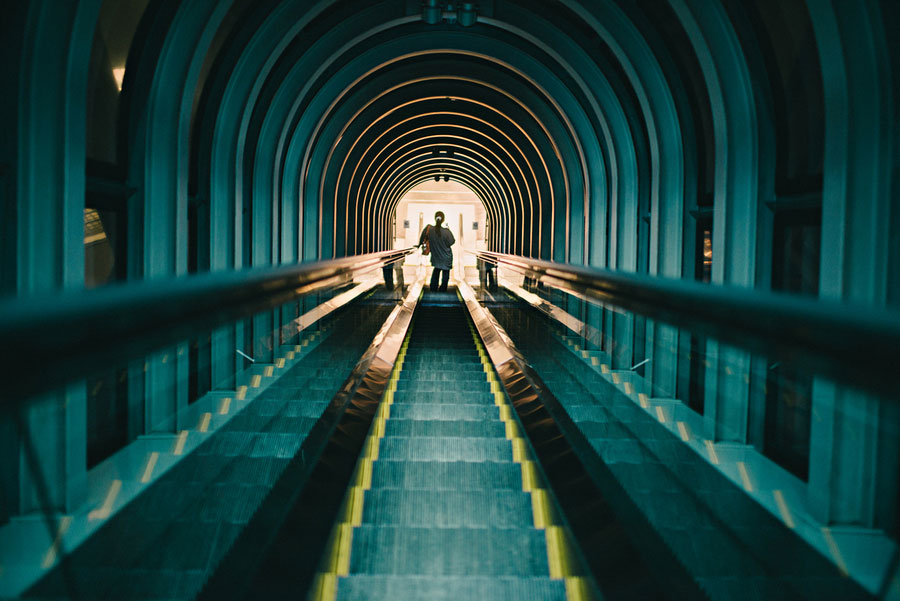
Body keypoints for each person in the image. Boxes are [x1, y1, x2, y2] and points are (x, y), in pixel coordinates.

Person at [419, 210, 455, 292]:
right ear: (443, 220)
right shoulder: (446, 231)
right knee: (446, 273)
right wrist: (448, 230)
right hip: (447, 256)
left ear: (435, 218)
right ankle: (443, 289)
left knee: (436, 271)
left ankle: (433, 287)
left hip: (436, 256)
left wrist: (418, 245)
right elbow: (451, 242)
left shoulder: (430, 229)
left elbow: (422, 238)